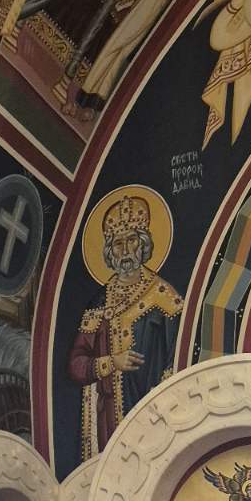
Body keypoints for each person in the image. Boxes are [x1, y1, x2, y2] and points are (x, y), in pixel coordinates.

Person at [67, 193, 182, 459]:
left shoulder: (165, 298)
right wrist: (111, 362)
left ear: (144, 244)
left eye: (132, 240)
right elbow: (76, 364)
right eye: (118, 243)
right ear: (110, 252)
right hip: (109, 423)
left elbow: (177, 357)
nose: (126, 250)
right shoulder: (99, 303)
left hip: (152, 416)